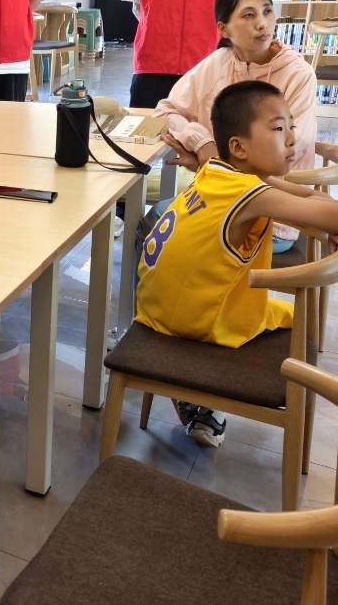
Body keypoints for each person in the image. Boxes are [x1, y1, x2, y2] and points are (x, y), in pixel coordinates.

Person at [136, 81, 338, 447]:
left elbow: (314, 200)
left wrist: (327, 220)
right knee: (295, 317)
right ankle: (198, 392)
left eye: (291, 126)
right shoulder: (251, 193)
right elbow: (328, 211)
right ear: (239, 147)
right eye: (278, 128)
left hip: (155, 306)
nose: (292, 138)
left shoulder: (217, 171)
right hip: (196, 321)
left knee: (281, 310)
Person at [138, 0, 317, 257]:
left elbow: (284, 151)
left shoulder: (298, 75)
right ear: (224, 29)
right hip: (221, 192)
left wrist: (211, 162)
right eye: (249, 15)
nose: (262, 24)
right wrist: (202, 143)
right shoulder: (220, 61)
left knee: (159, 224)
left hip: (275, 214)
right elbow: (166, 110)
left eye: (267, 11)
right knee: (159, 222)